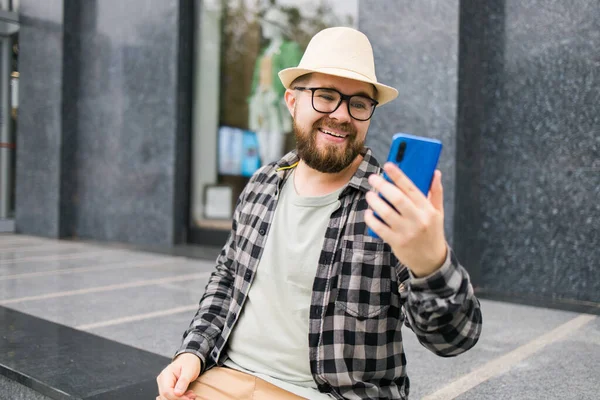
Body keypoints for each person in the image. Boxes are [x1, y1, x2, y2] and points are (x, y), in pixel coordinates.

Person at [157, 26, 482, 400]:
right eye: (325, 96)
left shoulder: (389, 204)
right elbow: (227, 277)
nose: (341, 115)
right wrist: (192, 351)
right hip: (226, 376)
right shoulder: (263, 182)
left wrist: (430, 264)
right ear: (293, 102)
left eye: (358, 103)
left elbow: (456, 339)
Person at [248, 8, 302, 165]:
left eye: (269, 24)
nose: (265, 28)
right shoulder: (265, 52)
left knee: (274, 149)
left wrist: (280, 94)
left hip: (276, 102)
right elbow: (257, 78)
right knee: (263, 147)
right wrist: (253, 97)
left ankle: (273, 173)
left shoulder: (289, 49)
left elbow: (294, 75)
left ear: (277, 27)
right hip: (260, 99)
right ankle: (265, 173)